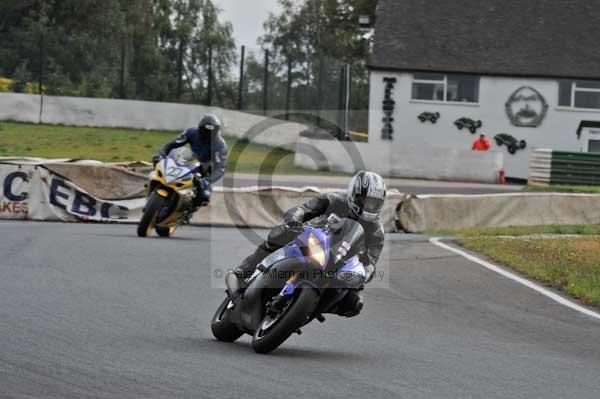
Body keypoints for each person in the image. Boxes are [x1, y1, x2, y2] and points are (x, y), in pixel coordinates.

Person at [231, 170, 387, 318]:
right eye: (367, 201)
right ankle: (246, 270)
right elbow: (304, 209)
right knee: (281, 234)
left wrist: (363, 276)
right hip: (313, 239)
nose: (370, 206)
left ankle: (308, 311)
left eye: (374, 203)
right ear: (355, 195)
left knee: (354, 301)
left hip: (339, 263)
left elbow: (371, 262)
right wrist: (295, 220)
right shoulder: (335, 200)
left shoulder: (376, 231)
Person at [153, 114, 228, 208]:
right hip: (188, 160)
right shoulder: (191, 132)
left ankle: (188, 210)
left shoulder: (220, 145)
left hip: (204, 169)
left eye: (210, 133)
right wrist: (160, 154)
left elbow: (220, 168)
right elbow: (171, 144)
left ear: (216, 132)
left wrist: (206, 180)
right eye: (204, 132)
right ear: (199, 128)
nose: (206, 136)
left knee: (204, 197)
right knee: (158, 169)